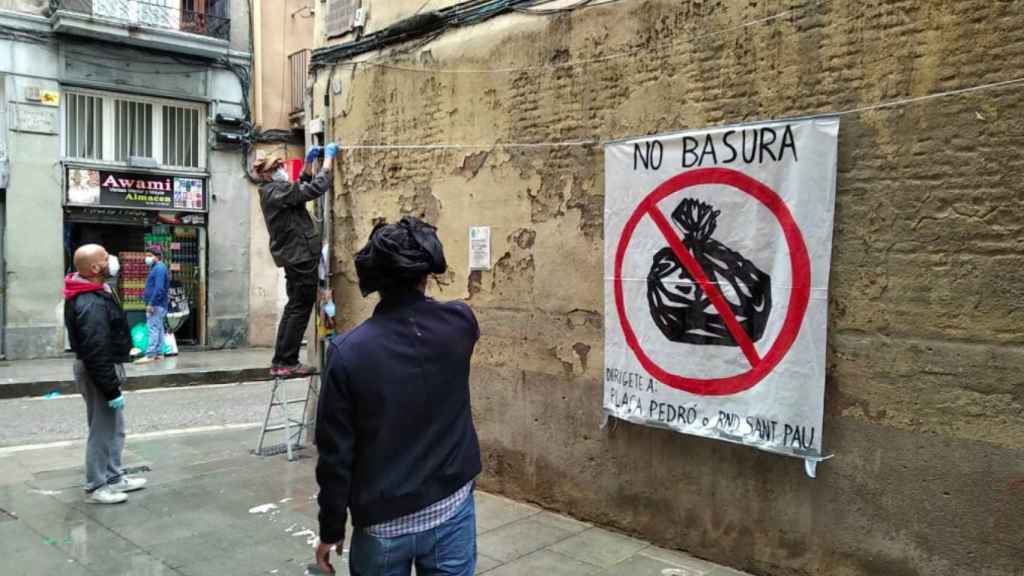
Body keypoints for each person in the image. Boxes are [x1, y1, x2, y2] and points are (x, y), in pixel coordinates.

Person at [315, 216, 482, 576]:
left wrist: (330, 529)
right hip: (451, 508)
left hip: (382, 526)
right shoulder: (461, 324)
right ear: (425, 274)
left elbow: (335, 456)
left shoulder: (349, 352)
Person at [64, 244, 147, 504]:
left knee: (115, 428)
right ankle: (97, 486)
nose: (112, 259)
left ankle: (114, 476)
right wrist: (110, 389)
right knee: (101, 430)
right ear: (95, 268)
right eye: (105, 256)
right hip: (98, 369)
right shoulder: (89, 301)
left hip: (106, 365)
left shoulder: (99, 291)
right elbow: (95, 349)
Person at [254, 143, 338, 377]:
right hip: (300, 256)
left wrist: (310, 163)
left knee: (294, 307)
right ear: (266, 174)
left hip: (295, 256)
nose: (281, 169)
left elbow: (299, 189)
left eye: (281, 165)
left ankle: (282, 360)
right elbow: (314, 189)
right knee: (299, 308)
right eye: (277, 167)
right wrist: (329, 162)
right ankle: (286, 361)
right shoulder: (275, 191)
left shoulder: (276, 191)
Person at [135, 244, 170, 364]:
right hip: (159, 304)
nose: (147, 258)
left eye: (149, 256)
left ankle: (150, 354)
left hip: (156, 304)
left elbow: (159, 288)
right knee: (158, 328)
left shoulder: (159, 268)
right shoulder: (157, 268)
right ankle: (159, 353)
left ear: (157, 257)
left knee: (153, 329)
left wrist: (151, 303)